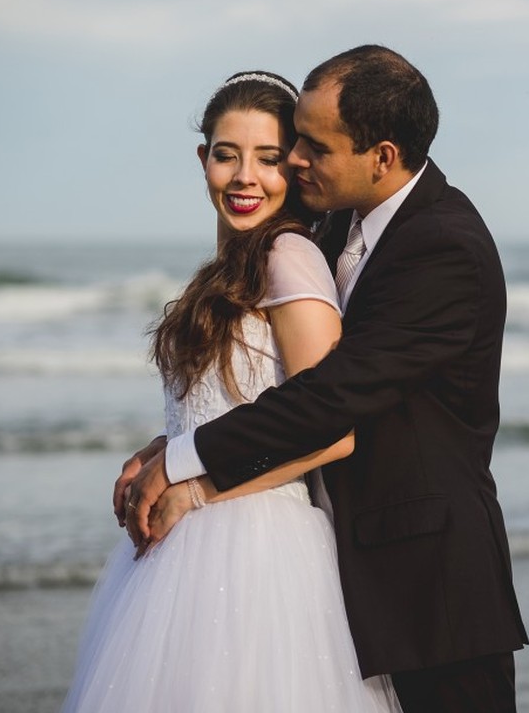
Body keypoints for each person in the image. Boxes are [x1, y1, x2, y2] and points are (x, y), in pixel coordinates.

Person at [123, 45, 529, 712]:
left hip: (427, 581)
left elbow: (331, 397)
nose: (297, 161)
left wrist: (181, 463)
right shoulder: (336, 221)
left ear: (383, 156)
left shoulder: (445, 247)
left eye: (312, 146)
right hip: (338, 564)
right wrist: (165, 445)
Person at [62, 70, 401, 712]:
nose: (245, 177)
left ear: (295, 169)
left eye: (268, 160)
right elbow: (232, 400)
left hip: (257, 551)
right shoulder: (226, 267)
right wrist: (163, 447)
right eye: (227, 155)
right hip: (181, 549)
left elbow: (332, 430)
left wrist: (194, 488)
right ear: (203, 159)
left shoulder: (289, 257)